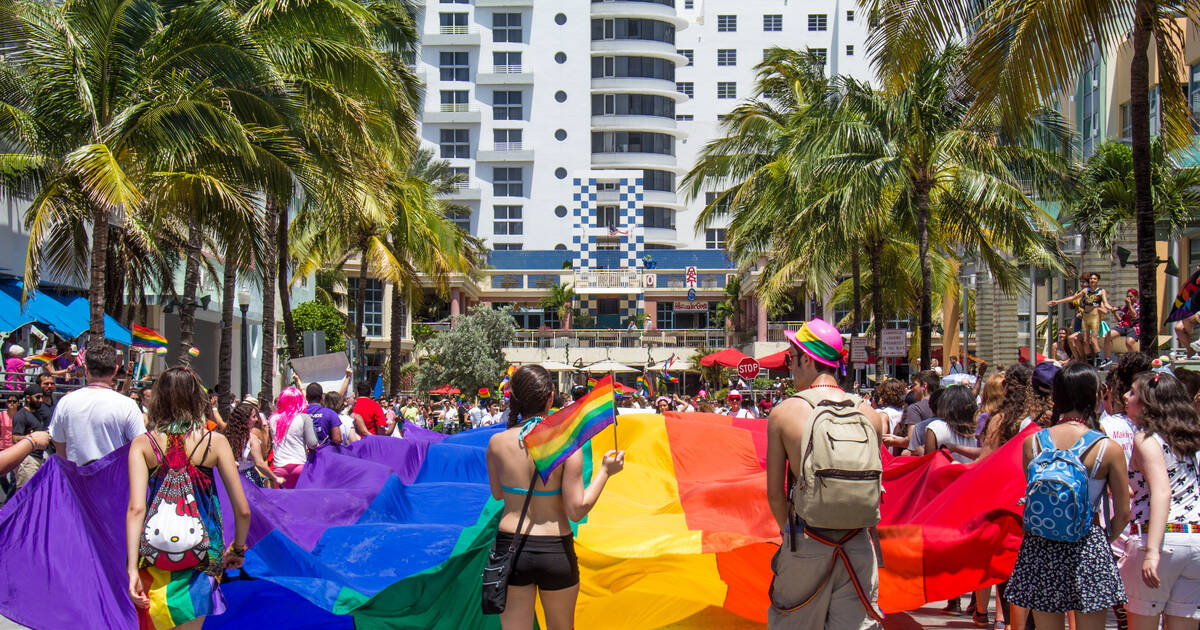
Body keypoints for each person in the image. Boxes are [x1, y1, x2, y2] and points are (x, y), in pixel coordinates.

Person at [766, 319, 885, 629]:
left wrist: (790, 536)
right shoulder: (870, 414)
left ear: (807, 359)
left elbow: (775, 495)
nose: (789, 366)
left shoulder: (785, 413)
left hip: (806, 540)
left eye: (790, 358)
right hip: (858, 546)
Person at [485, 365, 624, 630]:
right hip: (555, 549)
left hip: (510, 547)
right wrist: (606, 471)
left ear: (513, 398)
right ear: (551, 397)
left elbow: (497, 493)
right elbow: (576, 510)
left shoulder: (497, 443)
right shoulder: (566, 445)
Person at [1006, 361, 1131, 630]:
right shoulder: (1107, 448)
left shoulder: (1035, 442)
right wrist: (1103, 538)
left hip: (1042, 546)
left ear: (1056, 396)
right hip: (1088, 544)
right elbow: (1123, 514)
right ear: (1094, 396)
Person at [125, 367, 251, 629]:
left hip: (155, 554)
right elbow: (242, 510)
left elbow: (136, 509)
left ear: (159, 398)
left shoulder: (142, 444)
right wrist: (238, 549)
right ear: (198, 399)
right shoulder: (215, 442)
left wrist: (132, 569)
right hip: (203, 556)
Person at [1121, 372, 1200, 630]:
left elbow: (1161, 491)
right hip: (1195, 540)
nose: (1125, 396)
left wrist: (1152, 552)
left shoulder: (1146, 439)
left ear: (1148, 404)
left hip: (1157, 539)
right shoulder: (1191, 440)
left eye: (1132, 393)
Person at [49, 341, 145, 465]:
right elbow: (140, 445)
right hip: (113, 479)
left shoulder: (66, 402)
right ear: (115, 370)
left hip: (76, 479)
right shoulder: (128, 405)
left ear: (86, 369)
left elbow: (59, 444)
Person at [1049, 273, 1112, 365]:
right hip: (1085, 318)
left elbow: (1106, 304)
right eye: (1091, 279)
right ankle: (1089, 360)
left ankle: (1099, 359)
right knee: (1086, 341)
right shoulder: (1085, 291)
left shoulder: (1101, 291)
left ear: (1098, 280)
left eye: (1094, 279)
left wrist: (1112, 308)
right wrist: (1058, 301)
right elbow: (1073, 298)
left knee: (1093, 339)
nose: (1092, 280)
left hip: (1094, 318)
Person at [222, 401, 281, 488]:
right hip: (248, 480)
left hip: (229, 479)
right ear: (245, 419)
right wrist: (275, 477)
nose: (256, 419)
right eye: (253, 417)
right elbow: (260, 463)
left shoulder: (225, 436)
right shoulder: (251, 439)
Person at [268, 386, 317, 489]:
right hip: (299, 465)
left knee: (281, 501)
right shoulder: (304, 418)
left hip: (279, 467)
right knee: (299, 500)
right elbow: (312, 444)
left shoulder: (272, 419)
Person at [12, 383, 50, 489]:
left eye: (41, 397)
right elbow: (15, 438)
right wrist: (34, 438)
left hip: (39, 458)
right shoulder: (21, 415)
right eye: (37, 397)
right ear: (28, 398)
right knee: (25, 493)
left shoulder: (37, 414)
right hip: (27, 460)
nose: (40, 400)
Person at [1103, 289, 1141, 366]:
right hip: (1123, 326)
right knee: (1108, 335)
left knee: (1129, 343)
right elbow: (1120, 320)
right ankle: (1107, 358)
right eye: (1127, 296)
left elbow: (1134, 315)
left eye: (1131, 297)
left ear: (1136, 297)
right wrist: (1114, 313)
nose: (1129, 298)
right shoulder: (1125, 307)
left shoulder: (1138, 305)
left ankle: (1137, 360)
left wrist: (1129, 305)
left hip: (1133, 327)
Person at [303, 383, 343, 451]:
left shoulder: (300, 414)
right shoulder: (330, 413)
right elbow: (337, 439)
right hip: (326, 455)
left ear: (306, 397)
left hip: (306, 456)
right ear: (322, 397)